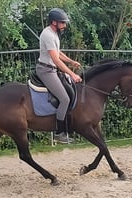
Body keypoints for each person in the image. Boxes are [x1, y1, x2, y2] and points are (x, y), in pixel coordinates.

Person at [36, 7, 82, 144]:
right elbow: (55, 60)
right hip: (46, 71)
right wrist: (72, 74)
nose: (65, 25)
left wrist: (71, 61)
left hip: (52, 69)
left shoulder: (54, 33)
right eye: (63, 22)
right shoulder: (48, 35)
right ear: (54, 22)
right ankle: (59, 133)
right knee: (64, 99)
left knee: (69, 92)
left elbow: (58, 53)